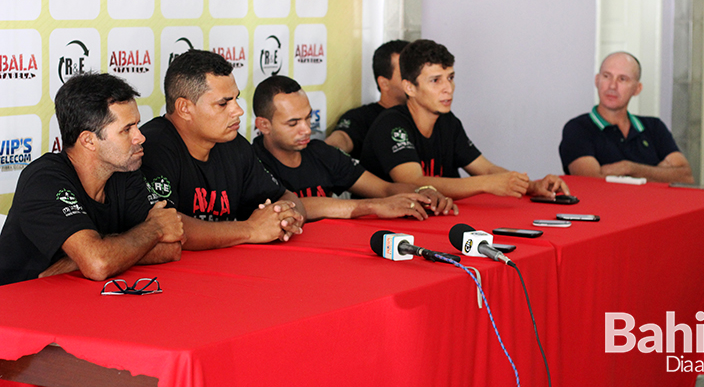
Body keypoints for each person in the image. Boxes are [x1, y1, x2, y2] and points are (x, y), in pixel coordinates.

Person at [0, 73, 184, 286]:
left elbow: (171, 248)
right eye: (127, 129)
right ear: (88, 140)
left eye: (137, 125)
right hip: (20, 304)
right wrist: (155, 228)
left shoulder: (124, 169)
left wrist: (75, 262)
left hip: (80, 298)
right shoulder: (43, 179)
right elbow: (99, 264)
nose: (140, 137)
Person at [360, 39, 569, 200]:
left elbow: (486, 169)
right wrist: (485, 184)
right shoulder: (391, 124)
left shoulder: (447, 121)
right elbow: (413, 181)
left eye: (450, 78)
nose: (448, 89)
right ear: (409, 88)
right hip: (385, 230)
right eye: (435, 80)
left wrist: (532, 186)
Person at [139, 50, 305, 250]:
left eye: (236, 99)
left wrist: (286, 217)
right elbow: (162, 226)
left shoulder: (234, 144)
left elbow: (287, 196)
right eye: (223, 103)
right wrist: (250, 229)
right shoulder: (151, 147)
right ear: (184, 108)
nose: (238, 110)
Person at [252, 75, 457, 221]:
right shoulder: (251, 162)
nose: (306, 129)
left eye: (308, 118)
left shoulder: (320, 151)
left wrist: (425, 193)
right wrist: (370, 206)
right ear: (264, 125)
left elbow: (384, 188)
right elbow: (294, 205)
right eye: (293, 123)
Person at [559, 52, 694, 183]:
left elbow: (685, 177)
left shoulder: (654, 127)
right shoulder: (578, 128)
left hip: (655, 205)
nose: (612, 86)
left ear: (637, 89)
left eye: (622, 79)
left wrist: (628, 168)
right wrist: (657, 172)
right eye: (607, 76)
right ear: (597, 81)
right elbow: (592, 181)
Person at [325, 40, 409, 159]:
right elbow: (340, 141)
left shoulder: (429, 116)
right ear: (384, 83)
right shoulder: (360, 118)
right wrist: (328, 149)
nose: (415, 80)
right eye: (406, 75)